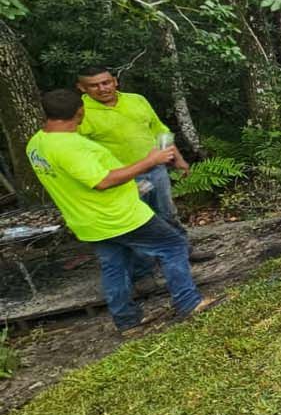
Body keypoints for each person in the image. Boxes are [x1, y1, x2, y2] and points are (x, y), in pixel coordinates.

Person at [28, 89, 213, 335]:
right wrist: (150, 161)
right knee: (173, 245)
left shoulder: (37, 143)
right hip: (118, 216)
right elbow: (102, 181)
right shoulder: (71, 146)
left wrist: (129, 184)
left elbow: (77, 178)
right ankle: (189, 303)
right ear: (79, 112)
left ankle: (127, 322)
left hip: (86, 220)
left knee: (114, 265)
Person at [76, 64, 211, 262]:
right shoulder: (81, 113)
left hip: (156, 170)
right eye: (94, 85)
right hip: (122, 178)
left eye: (106, 82)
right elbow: (82, 151)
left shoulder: (136, 100)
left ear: (115, 81)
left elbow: (160, 130)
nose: (102, 88)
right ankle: (146, 269)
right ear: (82, 88)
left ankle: (183, 251)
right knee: (136, 222)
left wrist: (177, 157)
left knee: (167, 213)